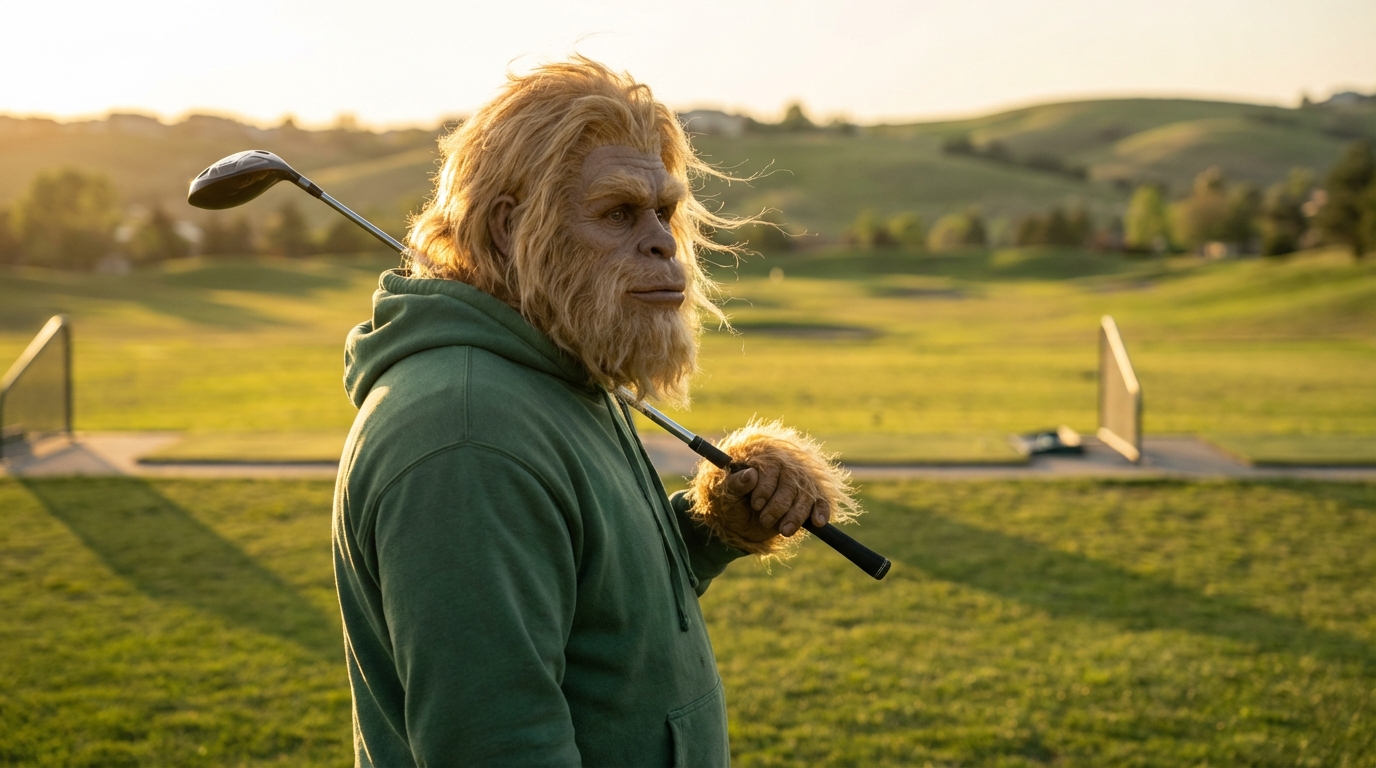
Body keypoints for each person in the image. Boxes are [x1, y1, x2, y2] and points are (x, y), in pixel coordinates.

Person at [332, 57, 857, 767]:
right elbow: (502, 748)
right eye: (617, 213)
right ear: (511, 227)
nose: (664, 242)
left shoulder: (552, 373)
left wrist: (715, 521)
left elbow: (600, 609)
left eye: (664, 212)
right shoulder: (468, 436)